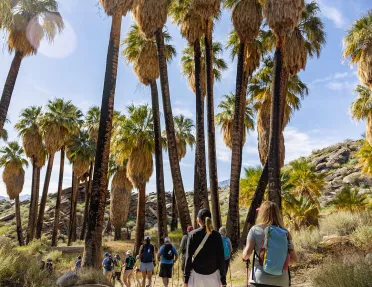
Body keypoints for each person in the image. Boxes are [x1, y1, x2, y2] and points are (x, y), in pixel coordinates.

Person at [242, 201, 297, 287]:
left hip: (260, 279)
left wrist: (244, 257)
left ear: (262, 214)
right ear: (278, 214)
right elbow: (294, 260)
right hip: (281, 281)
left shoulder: (255, 230)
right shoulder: (285, 233)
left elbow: (246, 254)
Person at [184, 209, 227, 287]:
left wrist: (186, 278)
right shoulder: (217, 236)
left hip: (197, 276)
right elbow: (221, 258)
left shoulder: (192, 235)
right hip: (213, 276)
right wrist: (223, 279)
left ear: (198, 220)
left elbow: (188, 258)